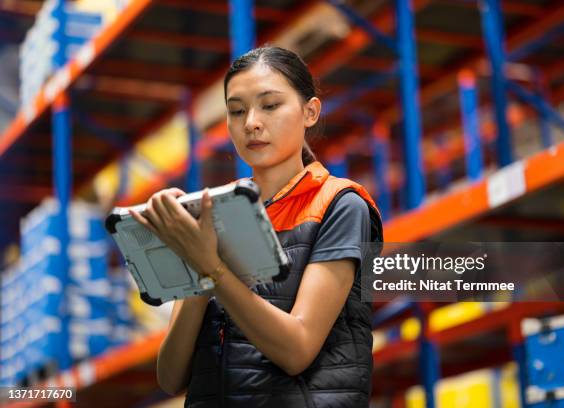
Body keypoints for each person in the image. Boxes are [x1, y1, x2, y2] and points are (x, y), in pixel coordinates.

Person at [130, 46, 383, 408]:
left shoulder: (340, 205)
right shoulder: (214, 217)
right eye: (236, 110)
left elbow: (297, 349)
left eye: (270, 105)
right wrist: (192, 255)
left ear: (310, 112)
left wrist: (212, 268)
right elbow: (171, 377)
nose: (251, 122)